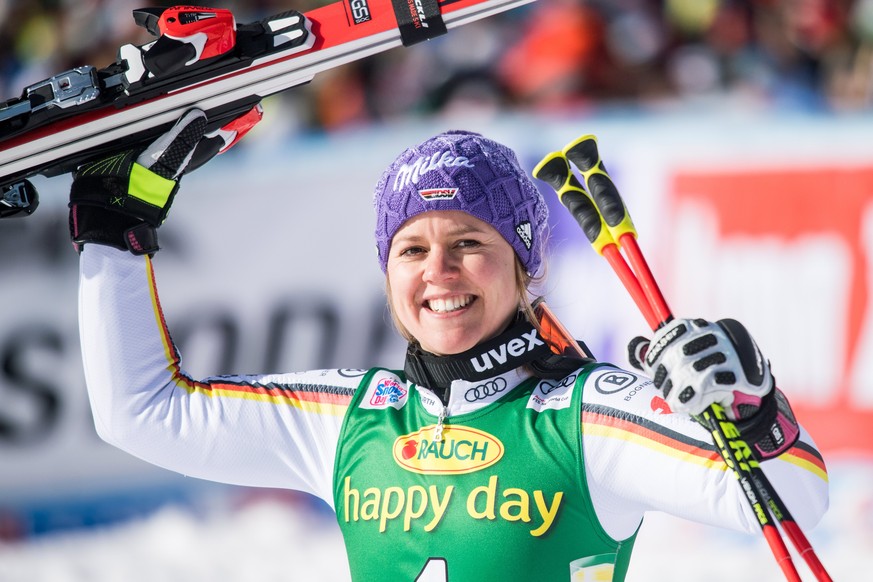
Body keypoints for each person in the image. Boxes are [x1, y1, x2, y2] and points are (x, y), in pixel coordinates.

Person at [69, 109, 828, 581]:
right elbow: (141, 412)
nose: (438, 272)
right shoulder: (350, 417)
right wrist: (112, 233)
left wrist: (754, 405)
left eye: (468, 242)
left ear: (524, 265)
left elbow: (792, 499)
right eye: (411, 249)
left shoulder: (586, 412)